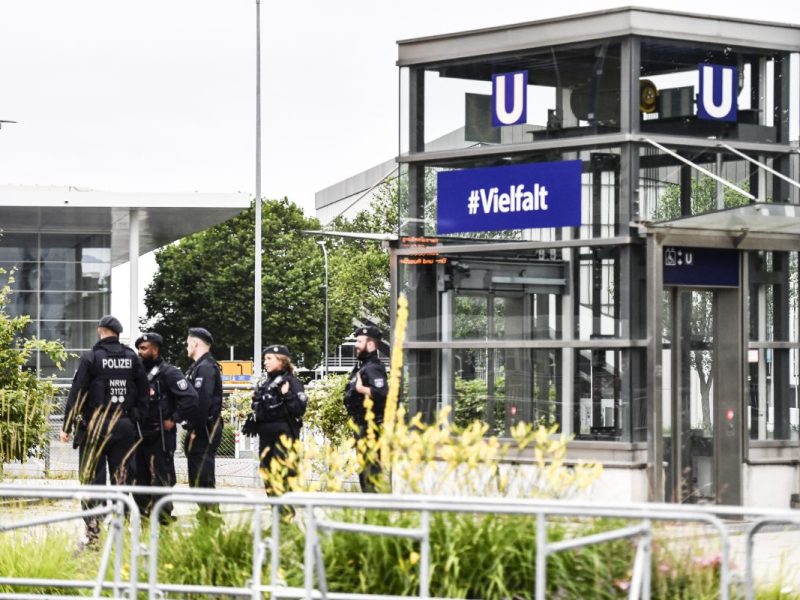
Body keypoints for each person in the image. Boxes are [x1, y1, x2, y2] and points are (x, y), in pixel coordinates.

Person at [60, 315, 148, 547]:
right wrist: (134, 417)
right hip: (124, 426)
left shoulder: (91, 358)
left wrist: (67, 426)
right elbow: (143, 393)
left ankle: (93, 534)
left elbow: (78, 392)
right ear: (117, 333)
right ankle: (119, 531)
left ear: (101, 330)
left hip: (96, 427)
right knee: (122, 478)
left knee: (92, 480)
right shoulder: (132, 357)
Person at [133, 332, 201, 522]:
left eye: (144, 348)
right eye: (138, 348)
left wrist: (175, 418)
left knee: (160, 480)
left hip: (160, 437)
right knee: (139, 480)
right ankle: (143, 519)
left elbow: (191, 398)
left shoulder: (169, 373)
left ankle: (162, 519)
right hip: (139, 435)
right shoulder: (137, 374)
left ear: (156, 349)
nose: (140, 352)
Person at [242, 344, 307, 495]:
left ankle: (285, 516)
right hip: (266, 437)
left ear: (282, 361)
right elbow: (260, 406)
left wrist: (287, 395)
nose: (265, 362)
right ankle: (276, 514)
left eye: (269, 358)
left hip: (284, 436)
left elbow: (299, 409)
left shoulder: (291, 382)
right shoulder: (266, 384)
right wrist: (254, 418)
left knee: (282, 477)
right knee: (268, 477)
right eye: (265, 359)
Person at [343, 325, 388, 493]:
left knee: (370, 471)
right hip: (362, 424)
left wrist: (362, 390)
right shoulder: (362, 366)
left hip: (371, 425)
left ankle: (374, 513)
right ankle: (370, 512)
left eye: (359, 341)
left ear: (370, 345)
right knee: (365, 471)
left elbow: (382, 392)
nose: (356, 344)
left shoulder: (373, 367)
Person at [184, 327, 223, 496]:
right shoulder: (198, 367)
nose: (186, 347)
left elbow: (202, 402)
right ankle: (206, 517)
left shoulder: (206, 367)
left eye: (188, 344)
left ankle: (212, 519)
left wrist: (194, 427)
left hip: (204, 428)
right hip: (201, 427)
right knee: (197, 478)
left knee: (203, 478)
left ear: (195, 343)